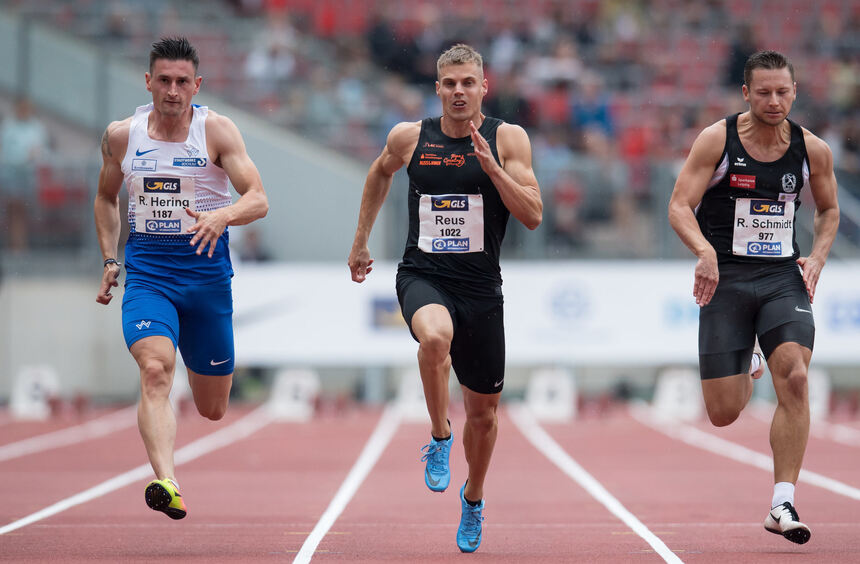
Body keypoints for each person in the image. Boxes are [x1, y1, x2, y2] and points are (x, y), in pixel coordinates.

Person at [348, 43, 542, 553]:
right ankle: (438, 437)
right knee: (435, 337)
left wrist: (494, 170)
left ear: (484, 87)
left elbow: (534, 214)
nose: (459, 91)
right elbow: (377, 173)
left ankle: (473, 498)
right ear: (437, 89)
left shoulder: (508, 139)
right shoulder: (411, 137)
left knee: (485, 416)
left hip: (481, 289)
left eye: (468, 83)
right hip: (423, 274)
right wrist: (361, 239)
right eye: (450, 83)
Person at [668, 50, 839, 545]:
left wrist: (819, 256)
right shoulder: (717, 140)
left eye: (782, 91)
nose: (773, 100)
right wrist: (703, 251)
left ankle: (781, 501)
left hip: (782, 277)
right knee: (722, 412)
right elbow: (680, 205)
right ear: (746, 93)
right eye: (763, 92)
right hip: (726, 278)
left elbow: (828, 212)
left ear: (794, 91)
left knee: (798, 375)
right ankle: (747, 364)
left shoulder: (813, 150)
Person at [94, 37, 268, 520]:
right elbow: (106, 197)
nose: (173, 91)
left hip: (206, 273)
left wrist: (222, 216)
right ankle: (167, 481)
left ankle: (176, 454)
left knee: (213, 407)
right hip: (149, 271)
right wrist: (111, 260)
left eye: (182, 82)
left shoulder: (216, 131)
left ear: (197, 85)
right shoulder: (122, 136)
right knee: (155, 370)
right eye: (164, 81)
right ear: (148, 82)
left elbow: (258, 197)